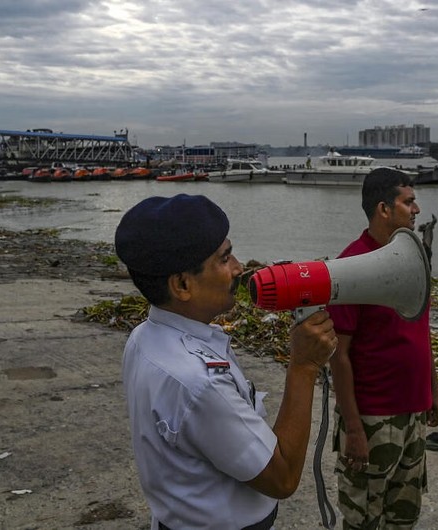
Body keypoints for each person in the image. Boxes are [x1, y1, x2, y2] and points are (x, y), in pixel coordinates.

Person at [114, 194, 338, 530]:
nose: (239, 268)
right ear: (182, 285)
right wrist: (303, 367)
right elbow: (283, 478)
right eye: (225, 258)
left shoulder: (145, 337)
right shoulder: (199, 383)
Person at [327, 168, 438, 529]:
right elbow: (339, 355)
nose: (417, 210)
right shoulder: (352, 267)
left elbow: (420, 332)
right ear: (384, 209)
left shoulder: (413, 260)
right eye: (408, 202)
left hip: (413, 414)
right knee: (364, 517)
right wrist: (355, 428)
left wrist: (433, 393)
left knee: (404, 515)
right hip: (374, 418)